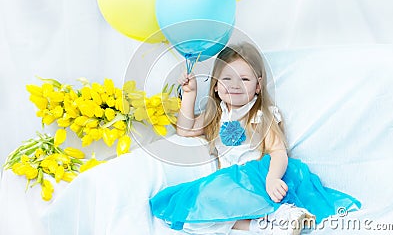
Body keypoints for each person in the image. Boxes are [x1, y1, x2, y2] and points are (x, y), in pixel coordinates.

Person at [150, 42, 361, 234]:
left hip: (259, 177)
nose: (235, 85)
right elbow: (185, 130)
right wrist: (190, 94)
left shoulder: (261, 115)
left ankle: (282, 214)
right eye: (226, 78)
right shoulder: (216, 114)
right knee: (193, 212)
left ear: (257, 86)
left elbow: (278, 151)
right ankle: (263, 224)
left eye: (244, 79)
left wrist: (273, 178)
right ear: (215, 84)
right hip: (229, 184)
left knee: (209, 204)